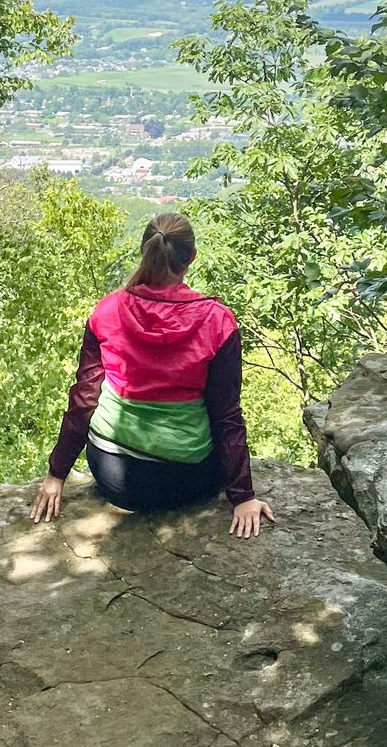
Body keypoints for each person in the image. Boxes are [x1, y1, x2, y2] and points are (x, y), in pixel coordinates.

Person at [30, 212, 275, 538]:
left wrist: (55, 475)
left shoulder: (108, 310)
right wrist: (243, 497)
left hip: (112, 474)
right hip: (187, 480)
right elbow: (225, 415)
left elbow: (84, 398)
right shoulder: (217, 322)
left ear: (144, 249)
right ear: (192, 258)